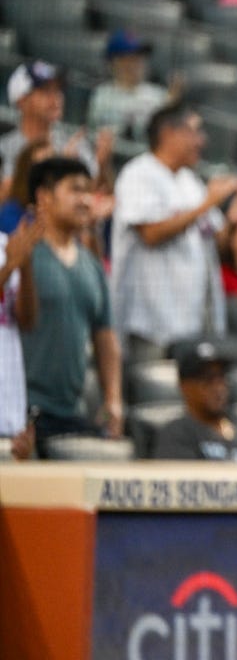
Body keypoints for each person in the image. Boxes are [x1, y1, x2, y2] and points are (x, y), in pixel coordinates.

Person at [110, 103, 237, 360]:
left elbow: (218, 245)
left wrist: (234, 222)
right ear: (168, 133)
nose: (201, 140)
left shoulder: (189, 181)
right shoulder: (138, 174)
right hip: (149, 325)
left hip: (190, 324)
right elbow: (150, 234)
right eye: (194, 131)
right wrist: (206, 204)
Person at [19, 158, 122, 457]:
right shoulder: (19, 254)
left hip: (72, 412)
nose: (85, 200)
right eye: (75, 190)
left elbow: (105, 336)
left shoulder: (91, 264)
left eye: (88, 191)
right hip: (22, 411)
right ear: (44, 196)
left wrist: (113, 399)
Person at [150, 338, 237, 461]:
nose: (218, 388)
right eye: (208, 379)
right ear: (184, 386)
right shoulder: (177, 435)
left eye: (221, 378)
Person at [0, 61, 97, 191]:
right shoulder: (5, 148)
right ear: (22, 101)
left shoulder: (76, 145)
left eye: (58, 90)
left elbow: (94, 191)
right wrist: (60, 169)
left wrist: (102, 163)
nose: (56, 97)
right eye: (45, 91)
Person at [0, 215, 39, 459]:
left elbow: (28, 321)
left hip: (10, 421)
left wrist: (25, 266)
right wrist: (11, 266)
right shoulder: (10, 254)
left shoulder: (7, 245)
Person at [86, 30, 171, 141]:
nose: (138, 64)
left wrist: (169, 108)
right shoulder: (102, 95)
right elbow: (97, 134)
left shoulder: (160, 95)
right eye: (131, 59)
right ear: (115, 63)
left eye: (141, 58)